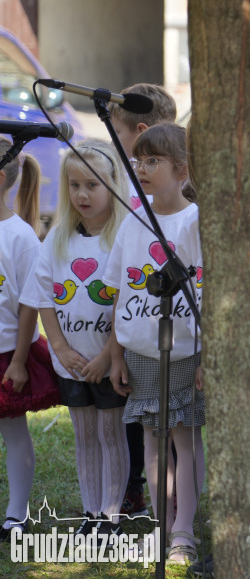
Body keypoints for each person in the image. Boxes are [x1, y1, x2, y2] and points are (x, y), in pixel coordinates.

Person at [103, 124, 205, 565]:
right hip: (141, 351)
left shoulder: (197, 222)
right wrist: (115, 352)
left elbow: (212, 295)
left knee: (185, 440)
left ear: (182, 170)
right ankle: (161, 526)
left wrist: (209, 357)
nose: (142, 169)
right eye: (139, 161)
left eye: (153, 162)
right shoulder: (132, 220)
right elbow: (118, 293)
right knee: (151, 439)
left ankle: (184, 531)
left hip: (184, 352)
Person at [21, 140, 130, 542]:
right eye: (74, 185)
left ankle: (112, 515)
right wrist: (61, 349)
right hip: (70, 361)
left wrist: (108, 355)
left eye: (93, 185)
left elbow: (125, 301)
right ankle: (91, 514)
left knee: (110, 434)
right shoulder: (58, 238)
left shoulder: (123, 238)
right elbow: (44, 295)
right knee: (84, 436)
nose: (82, 194)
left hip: (108, 361)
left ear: (113, 185)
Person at [108, 83, 178, 518]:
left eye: (116, 133)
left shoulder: (174, 206)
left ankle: (177, 513)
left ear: (139, 129)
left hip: (176, 338)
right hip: (135, 335)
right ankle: (148, 497)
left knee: (177, 433)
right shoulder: (131, 201)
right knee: (142, 424)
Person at [0, 139, 53, 540]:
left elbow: (28, 306)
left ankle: (16, 514)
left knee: (14, 431)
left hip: (5, 354)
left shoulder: (20, 238)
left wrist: (19, 361)